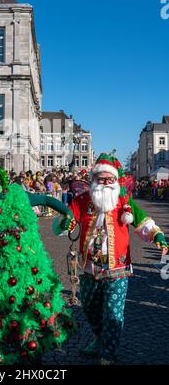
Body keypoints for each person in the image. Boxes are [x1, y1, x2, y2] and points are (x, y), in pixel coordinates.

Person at [0, 146, 76, 365]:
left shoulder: (18, 196)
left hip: (25, 274)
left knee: (28, 319)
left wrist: (67, 211)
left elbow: (46, 201)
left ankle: (31, 360)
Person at [60, 153, 168, 365]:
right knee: (90, 308)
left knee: (113, 312)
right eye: (100, 179)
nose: (105, 183)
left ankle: (107, 353)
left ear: (115, 180)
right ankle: (99, 338)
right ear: (93, 180)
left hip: (118, 268)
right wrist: (66, 223)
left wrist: (158, 236)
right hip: (90, 267)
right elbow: (67, 218)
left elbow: (142, 221)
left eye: (109, 179)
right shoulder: (83, 200)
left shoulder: (123, 200)